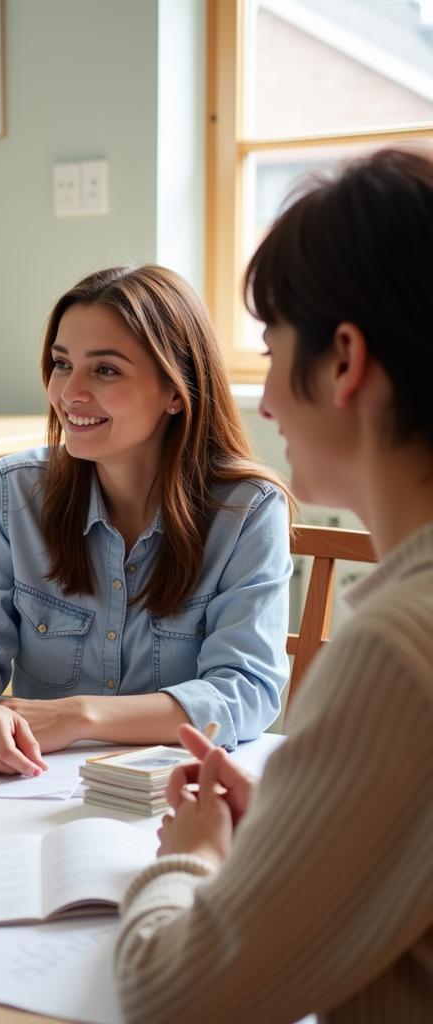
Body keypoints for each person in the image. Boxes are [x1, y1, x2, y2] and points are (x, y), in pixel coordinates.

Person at [114, 147, 433, 1022]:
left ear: (343, 360)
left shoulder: (397, 649)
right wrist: (309, 823)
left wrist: (190, 857)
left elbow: (170, 992)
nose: (263, 405)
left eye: (269, 345)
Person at [0, 265, 293, 776]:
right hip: (32, 790)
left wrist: (80, 715)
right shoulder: (15, 491)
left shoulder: (248, 511)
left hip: (178, 796)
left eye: (106, 370)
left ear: (175, 392)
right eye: (61, 364)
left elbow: (245, 691)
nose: (70, 393)